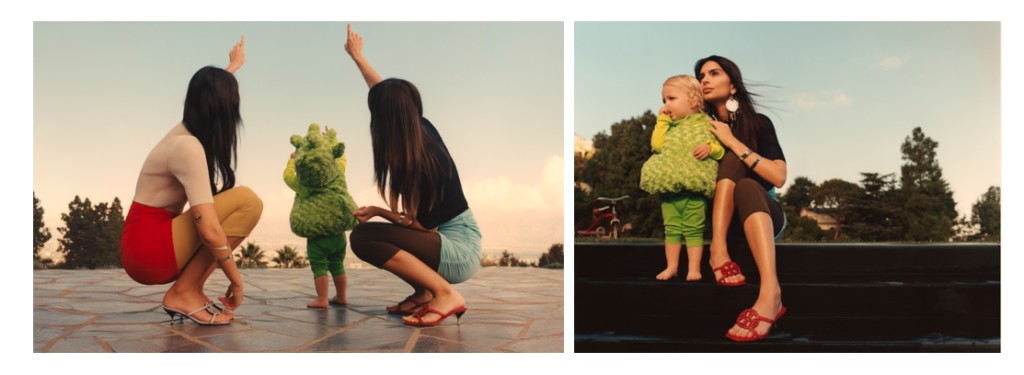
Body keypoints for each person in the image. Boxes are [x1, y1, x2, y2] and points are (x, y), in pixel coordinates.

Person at [343, 24, 481, 326]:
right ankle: (423, 292)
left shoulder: (423, 165)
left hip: (457, 250)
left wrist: (382, 213)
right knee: (374, 232)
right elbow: (384, 95)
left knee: (364, 238)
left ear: (383, 121)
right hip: (449, 240)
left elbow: (425, 229)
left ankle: (445, 293)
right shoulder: (420, 129)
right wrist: (357, 57)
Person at [120, 36, 263, 325]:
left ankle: (191, 290)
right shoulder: (187, 147)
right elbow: (209, 230)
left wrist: (231, 68)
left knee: (247, 202)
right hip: (145, 251)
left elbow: (207, 97)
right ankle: (183, 292)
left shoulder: (185, 135)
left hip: (149, 244)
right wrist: (237, 282)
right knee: (247, 201)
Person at [696, 55, 788, 341]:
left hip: (762, 215)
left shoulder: (759, 123)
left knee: (745, 181)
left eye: (714, 73)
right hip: (720, 218)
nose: (705, 80)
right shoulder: (697, 127)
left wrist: (732, 141)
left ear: (733, 86)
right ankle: (719, 246)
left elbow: (778, 177)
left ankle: (770, 292)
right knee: (733, 162)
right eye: (701, 76)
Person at [639, 75, 724, 282]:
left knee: (694, 229)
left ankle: (694, 268)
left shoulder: (708, 124)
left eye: (671, 99)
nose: (666, 105)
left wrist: (710, 148)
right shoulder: (667, 126)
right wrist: (662, 120)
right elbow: (657, 145)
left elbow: (721, 150)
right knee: (672, 229)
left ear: (693, 99)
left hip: (693, 187)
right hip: (669, 188)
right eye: (663, 101)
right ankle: (672, 266)